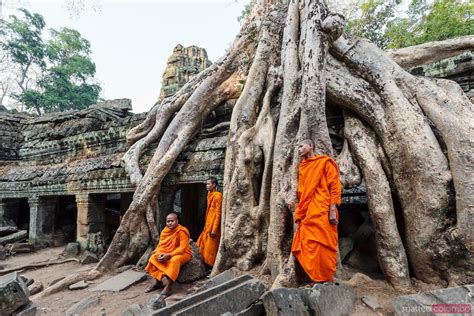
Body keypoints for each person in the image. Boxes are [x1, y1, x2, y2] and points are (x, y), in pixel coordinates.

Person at [291, 139, 342, 283]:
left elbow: (335, 186)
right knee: (308, 241)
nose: (299, 149)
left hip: (323, 208)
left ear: (311, 146)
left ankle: (325, 277)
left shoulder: (325, 162)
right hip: (308, 210)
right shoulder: (302, 167)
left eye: (301, 146)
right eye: (297, 147)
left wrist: (332, 209)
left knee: (324, 242)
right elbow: (302, 191)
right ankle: (315, 276)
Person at [145, 212, 192, 296]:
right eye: (168, 221)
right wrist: (160, 253)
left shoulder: (182, 231)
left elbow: (182, 248)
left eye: (172, 221)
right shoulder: (165, 231)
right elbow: (161, 245)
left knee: (174, 261)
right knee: (154, 257)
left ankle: (169, 286)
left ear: (177, 221)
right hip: (167, 252)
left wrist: (169, 255)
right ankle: (158, 282)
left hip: (183, 253)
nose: (169, 223)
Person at [196, 176, 222, 267]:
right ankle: (204, 266)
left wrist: (214, 229)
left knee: (210, 248)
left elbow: (218, 213)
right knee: (201, 244)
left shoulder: (218, 196)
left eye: (208, 184)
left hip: (213, 225)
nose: (206, 186)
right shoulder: (209, 194)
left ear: (214, 185)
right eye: (206, 184)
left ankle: (211, 266)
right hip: (207, 224)